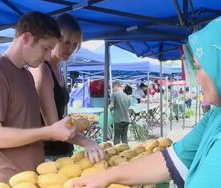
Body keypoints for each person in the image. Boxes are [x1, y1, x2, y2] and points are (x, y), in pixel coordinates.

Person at [72, 17, 221, 188]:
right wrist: (104, 177)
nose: (197, 78)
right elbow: (172, 160)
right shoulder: (216, 115)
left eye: (200, 67)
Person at [0, 12, 79, 187]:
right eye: (45, 48)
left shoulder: (26, 75)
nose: (47, 56)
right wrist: (48, 131)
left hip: (29, 178)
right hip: (4, 180)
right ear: (27, 38)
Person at [29, 13, 105, 162]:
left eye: (75, 44)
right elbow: (53, 125)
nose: (70, 48)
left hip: (61, 151)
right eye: (66, 42)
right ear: (53, 39)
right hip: (47, 155)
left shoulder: (58, 70)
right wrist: (86, 141)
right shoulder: (43, 70)